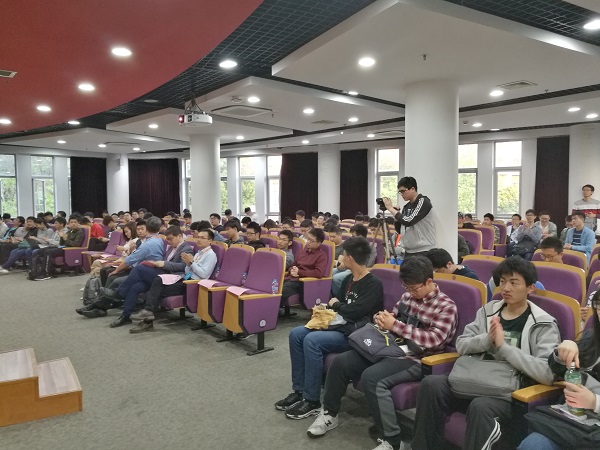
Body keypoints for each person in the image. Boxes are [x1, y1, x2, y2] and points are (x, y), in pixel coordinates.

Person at [307, 256, 458, 450]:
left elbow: (435, 340)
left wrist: (395, 325)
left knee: (373, 378)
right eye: (407, 288)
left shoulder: (446, 306)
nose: (410, 292)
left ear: (429, 281)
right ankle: (329, 413)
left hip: (417, 358)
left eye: (414, 288)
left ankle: (393, 442)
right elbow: (396, 317)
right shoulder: (408, 297)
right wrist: (385, 319)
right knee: (341, 362)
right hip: (390, 346)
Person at [411, 257, 561, 450]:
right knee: (431, 384)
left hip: (510, 392)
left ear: (530, 288)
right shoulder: (489, 311)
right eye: (503, 282)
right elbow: (462, 344)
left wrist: (504, 348)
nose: (506, 288)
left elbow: (547, 373)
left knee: (481, 406)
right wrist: (487, 340)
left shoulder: (543, 324)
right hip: (476, 377)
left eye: (514, 282)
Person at [275, 237, 384, 419]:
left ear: (350, 258)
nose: (340, 257)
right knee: (296, 334)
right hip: (339, 325)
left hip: (355, 333)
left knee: (312, 341)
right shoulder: (348, 279)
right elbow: (339, 306)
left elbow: (355, 311)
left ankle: (312, 400)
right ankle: (299, 390)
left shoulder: (373, 284)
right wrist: (327, 308)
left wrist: (336, 305)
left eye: (344, 254)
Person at [517, 289, 600, 450]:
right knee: (532, 445)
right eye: (598, 306)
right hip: (573, 420)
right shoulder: (592, 337)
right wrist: (562, 352)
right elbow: (561, 372)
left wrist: (594, 402)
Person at [129, 228, 217, 333]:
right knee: (157, 281)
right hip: (185, 278)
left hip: (192, 284)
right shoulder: (199, 253)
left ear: (210, 240)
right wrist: (189, 264)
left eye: (203, 238)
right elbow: (187, 270)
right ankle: (148, 315)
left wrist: (191, 263)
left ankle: (147, 318)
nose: (199, 240)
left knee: (155, 291)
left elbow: (204, 274)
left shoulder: (211, 255)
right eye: (198, 237)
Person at [280, 228, 328, 317]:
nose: (308, 242)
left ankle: (270, 314)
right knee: (271, 287)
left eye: (311, 241)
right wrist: (292, 270)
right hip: (291, 278)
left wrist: (299, 272)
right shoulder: (302, 252)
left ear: (319, 243)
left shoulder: (322, 256)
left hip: (302, 283)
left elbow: (318, 273)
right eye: (308, 239)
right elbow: (292, 265)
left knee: (279, 291)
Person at [383, 176, 435, 258]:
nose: (401, 194)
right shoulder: (406, 207)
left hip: (423, 251)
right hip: (408, 251)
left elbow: (409, 221)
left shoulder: (423, 201)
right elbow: (400, 230)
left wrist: (391, 209)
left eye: (403, 191)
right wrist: (396, 215)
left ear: (412, 189)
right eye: (400, 192)